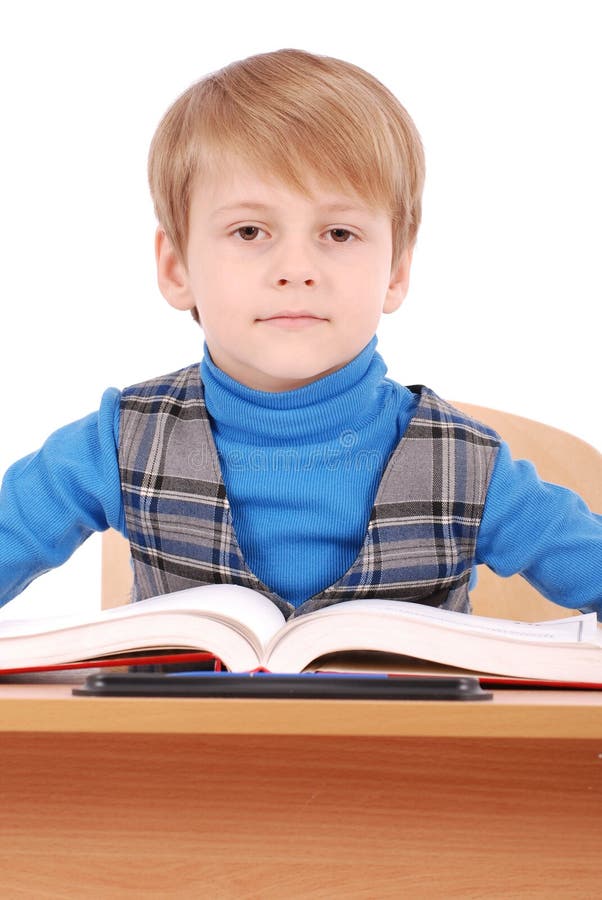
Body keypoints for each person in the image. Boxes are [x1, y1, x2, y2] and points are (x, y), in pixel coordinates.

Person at [0, 48, 600, 617]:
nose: (295, 269)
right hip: (189, 732)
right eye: (249, 232)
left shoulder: (469, 467)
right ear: (176, 268)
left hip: (404, 733)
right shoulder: (115, 443)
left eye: (338, 234)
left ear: (395, 272)